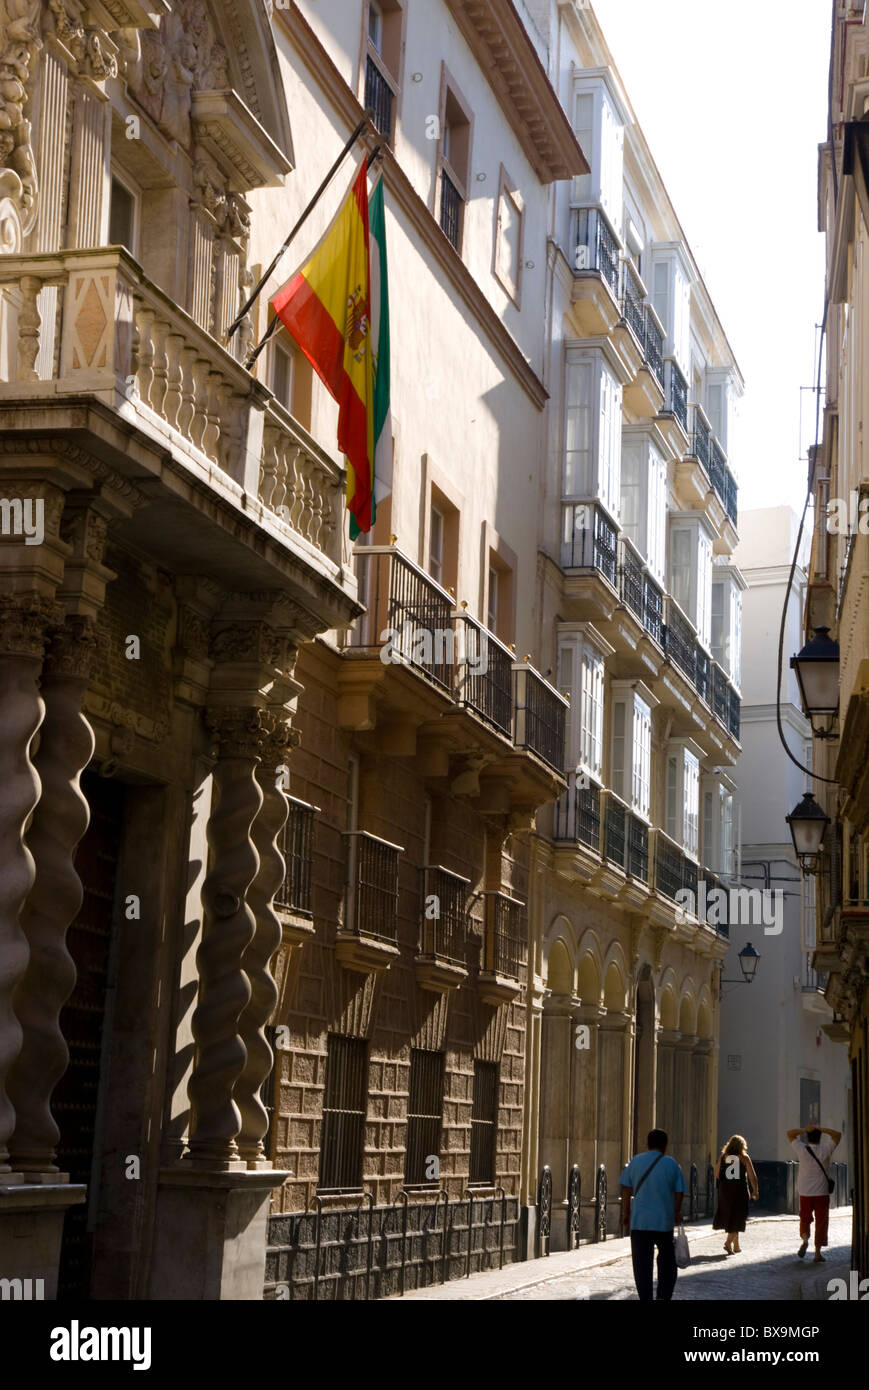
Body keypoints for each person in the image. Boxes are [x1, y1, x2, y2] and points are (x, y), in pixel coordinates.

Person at [620, 1129, 686, 1302]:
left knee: (641, 1264)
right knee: (667, 1263)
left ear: (647, 1144)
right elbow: (680, 1191)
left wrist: (625, 1212)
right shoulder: (671, 1163)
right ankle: (663, 1296)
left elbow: (626, 1189)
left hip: (639, 1221)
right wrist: (676, 1211)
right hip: (664, 1221)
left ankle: (646, 1297)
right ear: (665, 1146)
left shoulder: (635, 1161)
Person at [786, 1123, 842, 1262]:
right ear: (820, 1137)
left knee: (805, 1217)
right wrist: (821, 1128)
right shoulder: (825, 1149)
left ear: (808, 1137)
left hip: (805, 1190)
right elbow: (837, 1135)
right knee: (821, 1221)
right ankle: (817, 1253)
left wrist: (805, 1129)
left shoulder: (802, 1149)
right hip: (821, 1191)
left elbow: (790, 1134)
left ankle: (805, 1240)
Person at [712, 1134, 759, 1254]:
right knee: (738, 1217)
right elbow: (752, 1176)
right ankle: (728, 1243)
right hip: (740, 1191)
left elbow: (716, 1174)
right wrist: (755, 1190)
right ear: (742, 1146)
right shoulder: (744, 1158)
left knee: (731, 1216)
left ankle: (736, 1246)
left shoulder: (723, 1157)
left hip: (725, 1191)